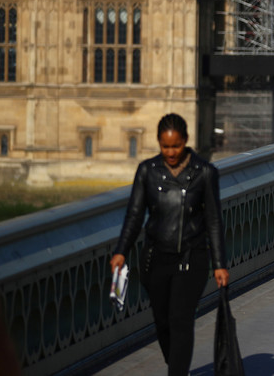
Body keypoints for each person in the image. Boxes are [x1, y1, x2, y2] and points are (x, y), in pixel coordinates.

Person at [111, 114, 229, 376]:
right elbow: (134, 215)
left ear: (185, 141)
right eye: (165, 147)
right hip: (155, 259)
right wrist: (121, 251)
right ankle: (177, 364)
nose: (171, 152)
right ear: (158, 143)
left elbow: (213, 220)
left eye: (176, 146)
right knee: (163, 321)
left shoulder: (205, 173)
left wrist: (220, 264)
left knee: (180, 319)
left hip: (192, 257)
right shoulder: (147, 171)